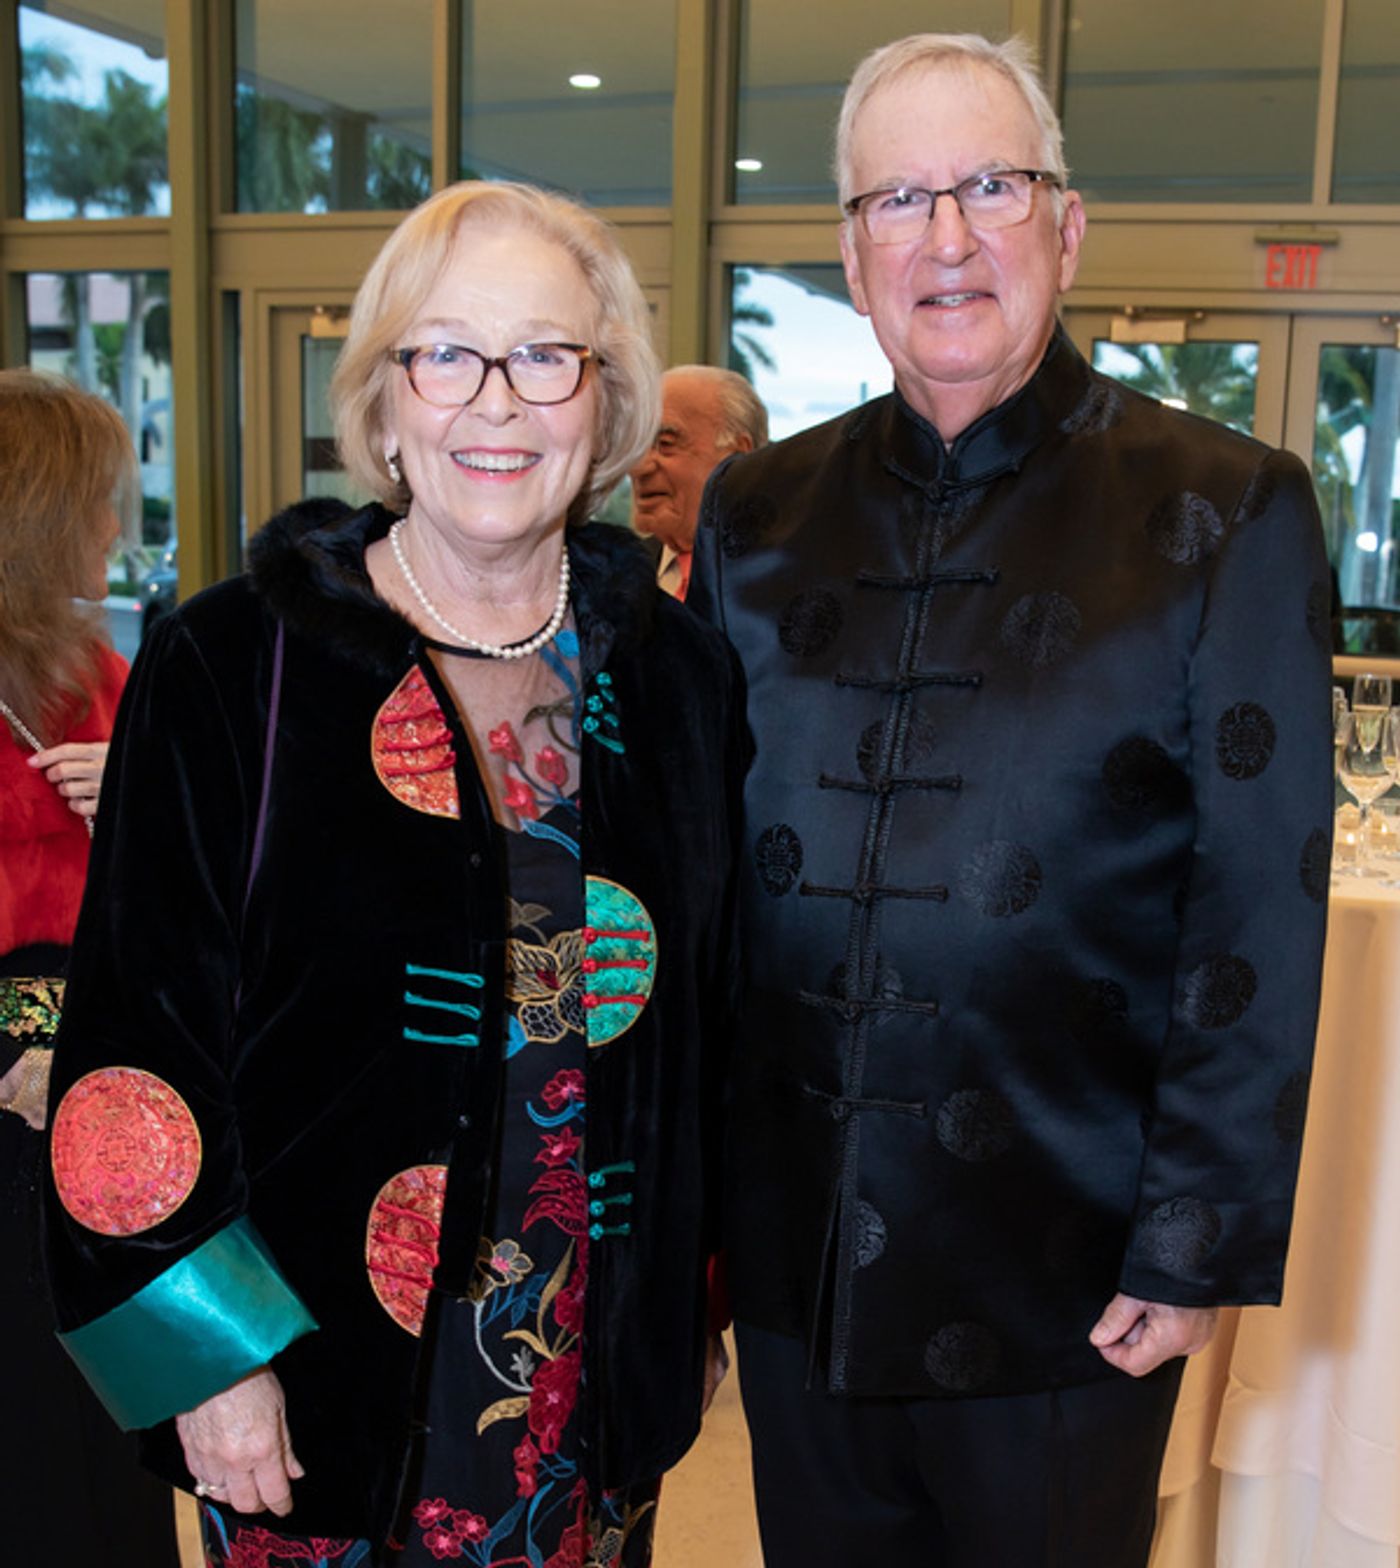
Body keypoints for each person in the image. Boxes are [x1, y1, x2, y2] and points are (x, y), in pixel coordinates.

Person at [688, 32, 1333, 1568]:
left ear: (1068, 224)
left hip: (1064, 1264)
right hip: (796, 1258)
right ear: (852, 255)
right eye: (901, 199)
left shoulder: (1226, 508)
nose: (950, 237)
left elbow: (1261, 899)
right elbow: (701, 874)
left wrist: (1192, 1239)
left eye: (992, 184)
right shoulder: (756, 514)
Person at [43, 181, 748, 1568]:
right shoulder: (231, 667)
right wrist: (205, 1355)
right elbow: (133, 1046)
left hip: (579, 1379)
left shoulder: (677, 681)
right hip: (316, 1386)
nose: (496, 402)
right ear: (383, 399)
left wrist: (687, 1307)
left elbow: (708, 1042)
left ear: (604, 405)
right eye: (447, 352)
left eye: (546, 355)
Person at [0, 369, 181, 1568]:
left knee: (121, 1438)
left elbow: (204, 892)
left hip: (108, 1104)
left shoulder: (104, 672)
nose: (116, 530)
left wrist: (145, 815)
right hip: (14, 1103)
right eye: (98, 502)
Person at [630, 365, 767, 600]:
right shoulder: (616, 578)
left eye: (665, 443)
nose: (638, 468)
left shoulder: (787, 577)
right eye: (638, 446)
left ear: (737, 457)